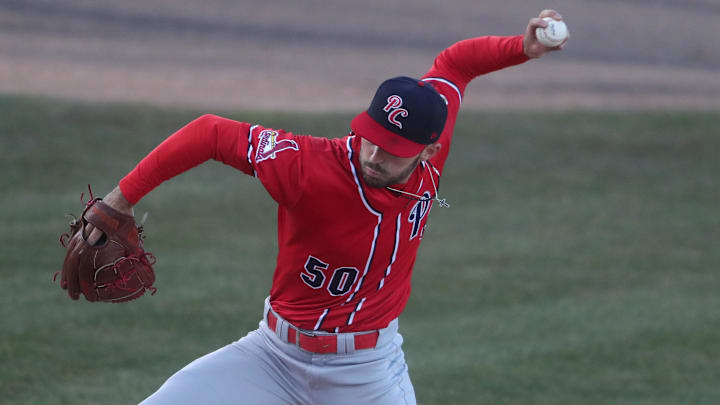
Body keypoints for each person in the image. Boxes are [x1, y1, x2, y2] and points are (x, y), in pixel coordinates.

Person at [85, 9, 567, 404]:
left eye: (393, 148)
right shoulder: (307, 165)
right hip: (272, 359)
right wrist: (119, 200)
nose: (374, 155)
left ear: (428, 150)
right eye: (371, 138)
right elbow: (210, 132)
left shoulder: (433, 130)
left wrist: (521, 50)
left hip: (366, 376)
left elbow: (456, 65)